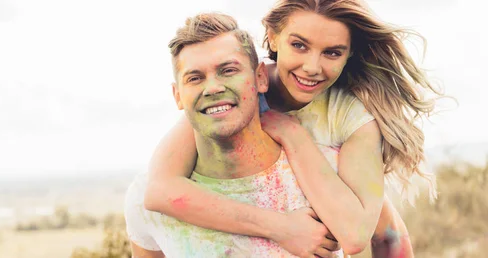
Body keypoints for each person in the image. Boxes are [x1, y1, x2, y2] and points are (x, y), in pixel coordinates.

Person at [143, 0, 441, 257]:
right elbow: (159, 190)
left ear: (349, 54)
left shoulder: (351, 116)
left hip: (358, 214)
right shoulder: (239, 89)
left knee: (386, 226)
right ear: (272, 39)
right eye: (299, 45)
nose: (312, 67)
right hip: (295, 208)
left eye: (333, 52)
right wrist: (281, 228)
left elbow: (359, 235)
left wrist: (291, 134)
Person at [124, 12, 344, 258]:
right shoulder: (142, 200)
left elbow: (384, 238)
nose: (213, 87)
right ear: (177, 96)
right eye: (195, 78)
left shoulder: (327, 172)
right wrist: (282, 228)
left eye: (228, 70)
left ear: (260, 77)